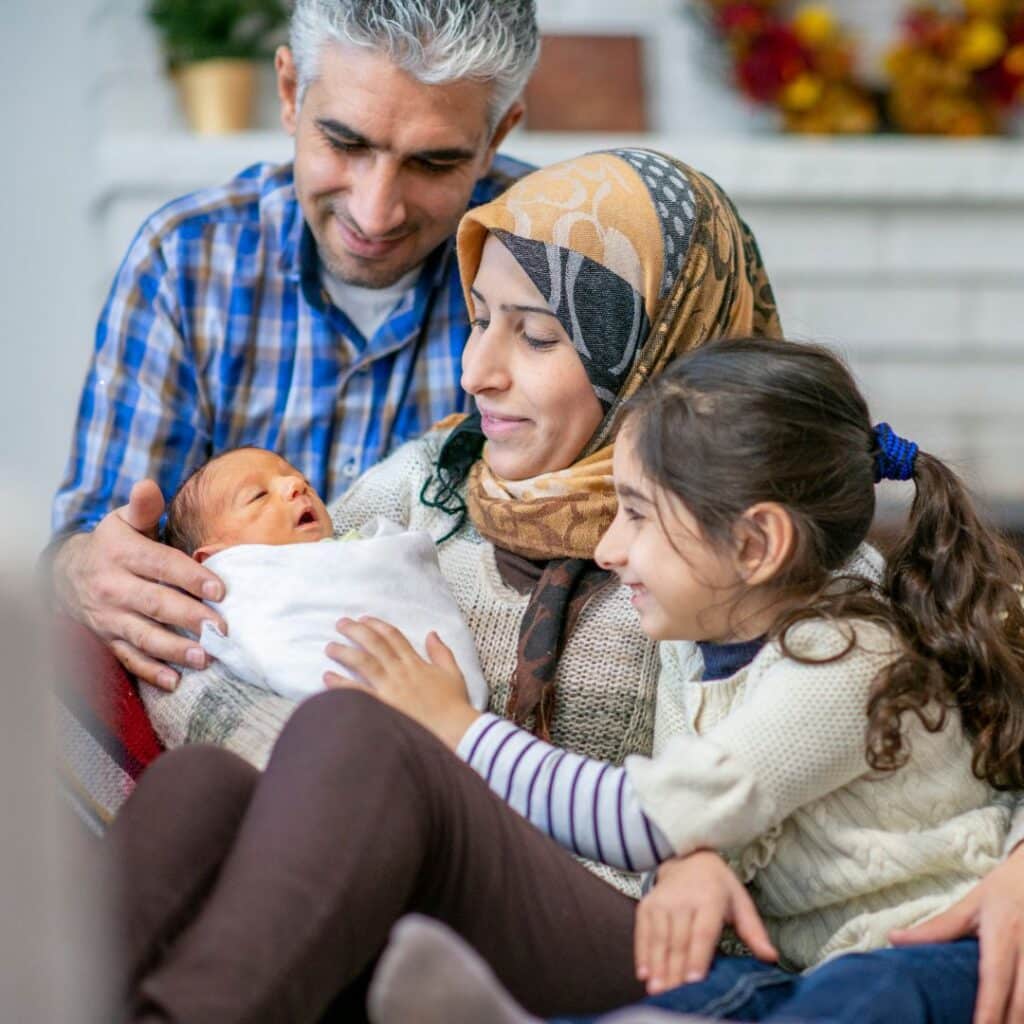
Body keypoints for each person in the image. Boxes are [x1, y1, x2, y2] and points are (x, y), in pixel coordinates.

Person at [106, 148, 782, 1022]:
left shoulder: (746, 541)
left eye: (536, 336)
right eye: (478, 320)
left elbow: (851, 726)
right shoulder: (433, 478)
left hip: (635, 926)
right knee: (200, 785)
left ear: (656, 353)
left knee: (365, 735)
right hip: (406, 871)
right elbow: (252, 617)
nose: (477, 372)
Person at [351, 337, 1024, 1024]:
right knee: (724, 995)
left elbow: (642, 817)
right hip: (819, 969)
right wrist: (698, 855)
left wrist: (458, 729)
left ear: (755, 546)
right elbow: (694, 809)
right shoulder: (694, 646)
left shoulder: (845, 660)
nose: (609, 549)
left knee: (862, 998)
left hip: (960, 957)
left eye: (638, 515)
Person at [47, 0, 538, 693]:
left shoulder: (547, 264)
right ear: (288, 92)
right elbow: (87, 534)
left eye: (432, 163)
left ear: (497, 137)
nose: (376, 213)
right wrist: (81, 568)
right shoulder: (188, 258)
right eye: (345, 143)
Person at [141, 446, 488, 711]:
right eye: (258, 495)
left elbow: (407, 585)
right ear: (214, 561)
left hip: (439, 694)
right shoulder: (236, 597)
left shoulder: (369, 547)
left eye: (303, 481)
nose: (297, 485)